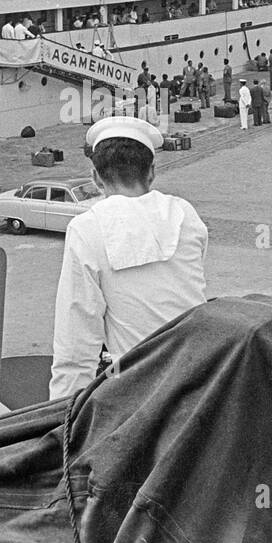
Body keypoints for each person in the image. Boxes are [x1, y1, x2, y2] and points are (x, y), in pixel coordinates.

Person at [49, 117, 208, 398]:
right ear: (152, 173)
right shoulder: (186, 214)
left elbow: (76, 344)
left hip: (139, 392)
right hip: (202, 379)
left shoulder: (87, 229)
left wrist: (61, 422)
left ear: (96, 178)